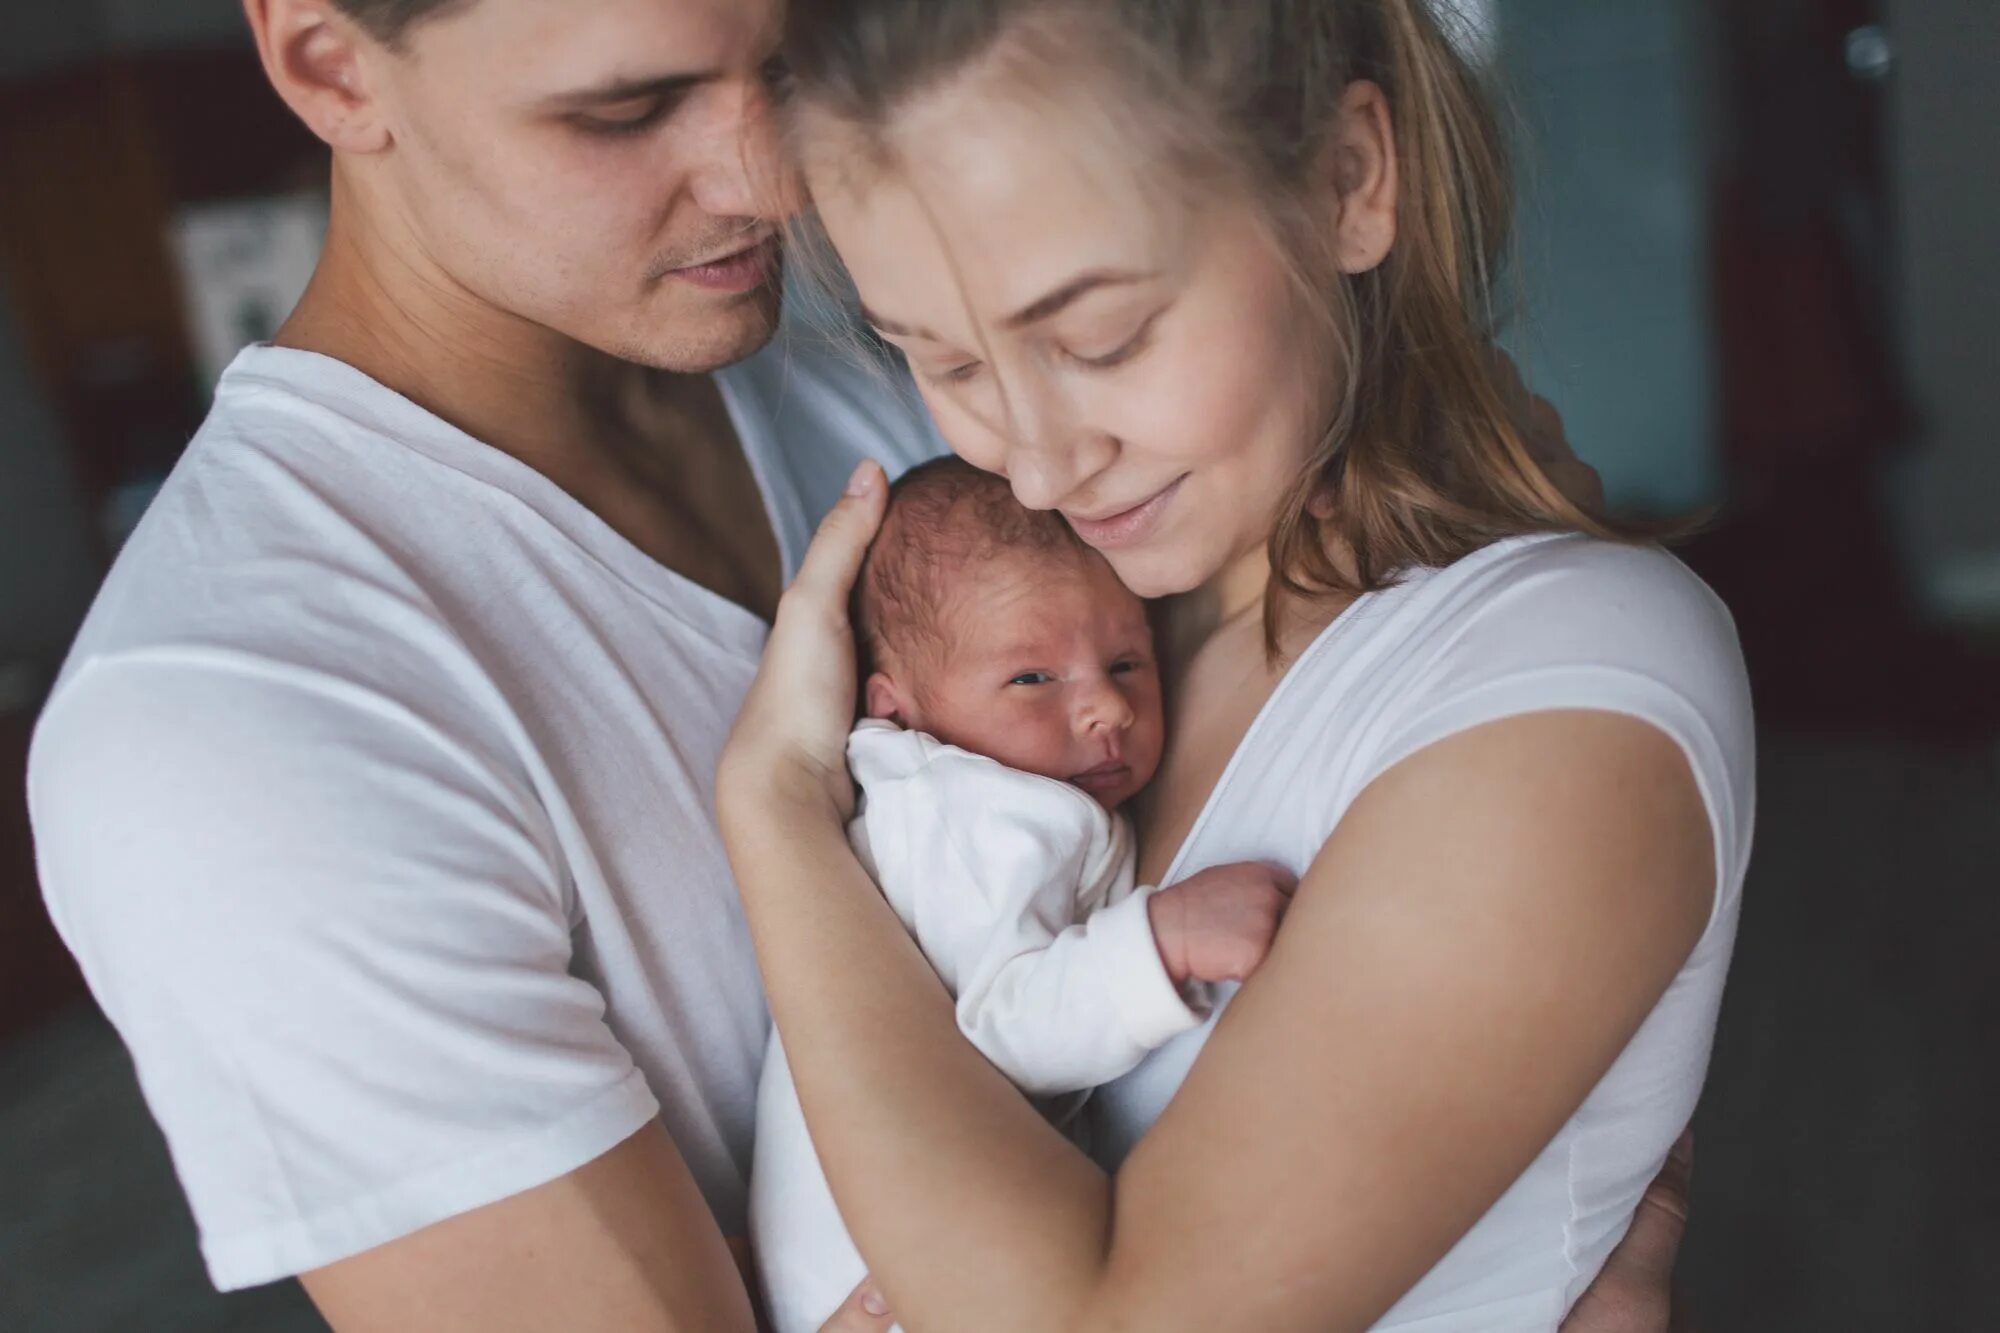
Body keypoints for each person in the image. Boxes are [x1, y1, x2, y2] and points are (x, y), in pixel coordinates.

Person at [24, 0, 1689, 1328]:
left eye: (793, 59)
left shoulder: (914, 401)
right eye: (629, 105)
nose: (770, 178)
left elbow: (1439, 599)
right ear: (328, 60)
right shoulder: (230, 731)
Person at [718, 1, 1753, 1331]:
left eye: (1102, 341)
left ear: (1348, 180)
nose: (1037, 463)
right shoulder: (1110, 644)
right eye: (951, 364)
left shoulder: (1565, 668)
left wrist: (776, 821)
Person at [751, 457, 1293, 1332]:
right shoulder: (974, 811)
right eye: (1033, 679)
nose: (1105, 710)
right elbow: (999, 1031)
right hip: (887, 1279)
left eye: (1126, 661)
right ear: (899, 711)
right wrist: (1159, 941)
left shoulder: (996, 790)